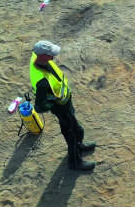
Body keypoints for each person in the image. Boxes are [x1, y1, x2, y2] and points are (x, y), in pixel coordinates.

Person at [29, 40, 96, 171]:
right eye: (50, 55)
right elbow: (39, 107)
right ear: (42, 56)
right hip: (61, 110)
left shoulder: (37, 57)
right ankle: (75, 163)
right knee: (72, 134)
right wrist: (53, 99)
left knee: (78, 130)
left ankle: (79, 145)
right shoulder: (42, 82)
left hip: (66, 105)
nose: (53, 57)